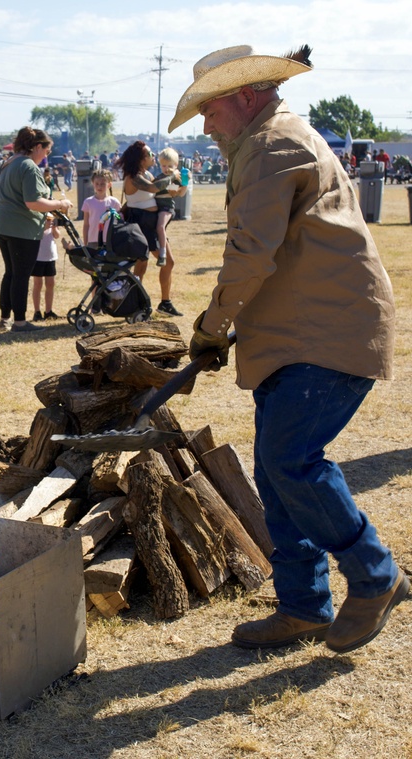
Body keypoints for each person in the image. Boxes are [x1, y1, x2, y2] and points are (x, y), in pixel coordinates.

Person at [170, 44, 407, 652]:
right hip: (299, 334)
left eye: (210, 108)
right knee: (277, 477)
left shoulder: (274, 144)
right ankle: (304, 607)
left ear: (245, 96)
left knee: (293, 461)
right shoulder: (265, 140)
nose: (205, 123)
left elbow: (250, 253)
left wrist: (211, 327)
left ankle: (375, 575)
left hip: (325, 334)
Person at [0, 126, 72, 333]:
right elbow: (33, 202)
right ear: (37, 146)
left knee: (11, 272)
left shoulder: (9, 162)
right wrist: (59, 204)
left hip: (2, 224)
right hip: (20, 228)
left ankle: (5, 317)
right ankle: (19, 322)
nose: (47, 154)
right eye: (46, 150)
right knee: (21, 275)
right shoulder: (28, 166)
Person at [114, 141, 182, 316]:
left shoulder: (147, 174)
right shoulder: (133, 177)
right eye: (150, 154)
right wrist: (172, 174)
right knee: (141, 266)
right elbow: (152, 188)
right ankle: (135, 304)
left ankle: (164, 303)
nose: (153, 156)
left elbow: (164, 191)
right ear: (141, 158)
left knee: (164, 263)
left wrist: (180, 183)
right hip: (141, 224)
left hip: (151, 224)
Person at [153, 147, 187, 267]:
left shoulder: (175, 178)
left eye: (169, 166)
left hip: (166, 207)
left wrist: (184, 182)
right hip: (156, 206)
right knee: (159, 229)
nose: (166, 169)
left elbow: (178, 194)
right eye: (163, 166)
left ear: (176, 165)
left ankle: (162, 253)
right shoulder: (158, 177)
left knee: (160, 226)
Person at [80, 168, 122, 247]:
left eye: (103, 184)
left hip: (110, 241)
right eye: (97, 183)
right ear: (93, 184)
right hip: (93, 241)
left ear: (109, 185)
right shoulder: (88, 202)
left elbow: (119, 222)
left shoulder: (114, 202)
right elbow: (86, 224)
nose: (99, 186)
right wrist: (85, 243)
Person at [31, 213, 60, 321]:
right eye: (48, 220)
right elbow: (33, 235)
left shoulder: (52, 218)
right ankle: (37, 311)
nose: (49, 221)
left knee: (50, 283)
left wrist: (54, 228)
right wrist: (44, 227)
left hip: (50, 257)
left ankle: (48, 311)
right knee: (38, 284)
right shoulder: (36, 217)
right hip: (38, 257)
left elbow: (57, 236)